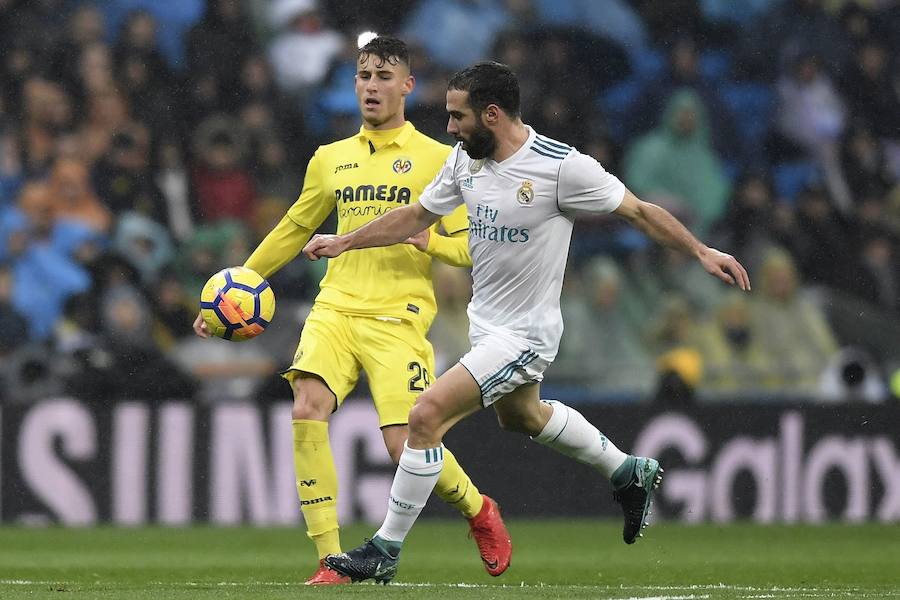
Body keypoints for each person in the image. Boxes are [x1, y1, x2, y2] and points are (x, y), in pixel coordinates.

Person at [306, 61, 750, 584]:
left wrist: (699, 250)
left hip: (525, 336)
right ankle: (629, 471)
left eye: (457, 117)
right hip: (486, 327)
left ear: (491, 115)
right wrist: (345, 240)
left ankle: (385, 549)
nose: (448, 127)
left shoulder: (561, 168)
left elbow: (639, 211)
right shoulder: (464, 162)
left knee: (423, 417)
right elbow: (416, 216)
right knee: (523, 416)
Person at [192, 37, 511, 585]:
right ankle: (329, 559)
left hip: (398, 315)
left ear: (408, 86)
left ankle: (479, 509)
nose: (371, 86)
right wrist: (240, 286)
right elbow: (294, 228)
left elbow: (470, 246)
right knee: (306, 406)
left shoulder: (441, 160)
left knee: (404, 443)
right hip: (335, 307)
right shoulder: (330, 159)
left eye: (384, 77)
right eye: (364, 75)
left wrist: (427, 241)